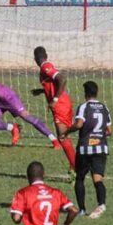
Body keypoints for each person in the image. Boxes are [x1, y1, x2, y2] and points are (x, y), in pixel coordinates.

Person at [60, 81, 112, 219]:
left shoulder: (84, 107)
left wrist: (66, 132)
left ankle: (82, 209)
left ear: (85, 94)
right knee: (97, 179)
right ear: (97, 92)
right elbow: (109, 130)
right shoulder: (104, 107)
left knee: (80, 178)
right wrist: (98, 136)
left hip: (85, 149)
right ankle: (101, 204)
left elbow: (79, 124)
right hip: (101, 148)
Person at [32, 47, 76, 175]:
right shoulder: (45, 68)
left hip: (61, 105)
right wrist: (42, 91)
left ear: (35, 59)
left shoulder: (46, 66)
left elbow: (62, 79)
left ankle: (76, 167)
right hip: (63, 103)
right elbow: (53, 83)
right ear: (46, 54)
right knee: (64, 137)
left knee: (62, 137)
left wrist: (55, 99)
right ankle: (74, 166)